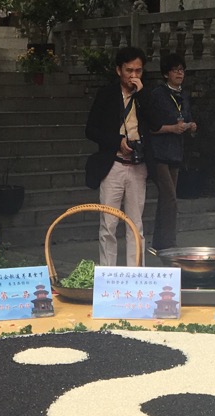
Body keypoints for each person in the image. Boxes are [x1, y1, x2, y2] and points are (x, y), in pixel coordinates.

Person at [85, 46, 149, 267]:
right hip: (113, 164)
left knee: (135, 224)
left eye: (138, 71)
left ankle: (137, 274)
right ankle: (107, 273)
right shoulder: (107, 94)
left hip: (138, 165)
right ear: (118, 70)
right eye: (129, 70)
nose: (133, 75)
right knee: (109, 224)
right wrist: (117, 141)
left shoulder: (145, 95)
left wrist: (142, 95)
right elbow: (90, 129)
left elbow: (157, 123)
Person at [145, 51, 196, 252]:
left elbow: (186, 117)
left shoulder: (183, 95)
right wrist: (172, 128)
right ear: (166, 73)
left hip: (175, 151)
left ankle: (160, 241)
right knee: (170, 197)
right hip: (158, 152)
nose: (179, 73)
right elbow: (150, 126)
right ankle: (169, 243)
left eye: (182, 70)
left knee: (167, 198)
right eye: (175, 70)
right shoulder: (158, 95)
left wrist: (191, 126)